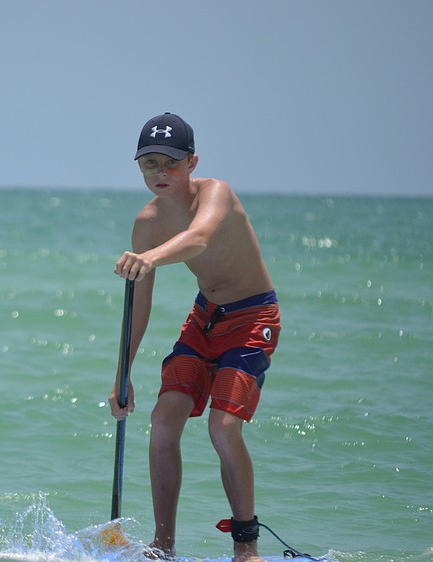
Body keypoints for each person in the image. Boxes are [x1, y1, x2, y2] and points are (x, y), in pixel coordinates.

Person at [108, 113, 280, 562]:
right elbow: (139, 310)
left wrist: (150, 258)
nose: (160, 173)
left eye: (170, 163)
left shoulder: (215, 192)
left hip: (252, 317)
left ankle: (246, 547)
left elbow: (200, 238)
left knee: (223, 428)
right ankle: (163, 548)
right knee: (164, 421)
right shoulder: (146, 223)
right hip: (205, 319)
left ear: (192, 162)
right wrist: (122, 374)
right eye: (149, 165)